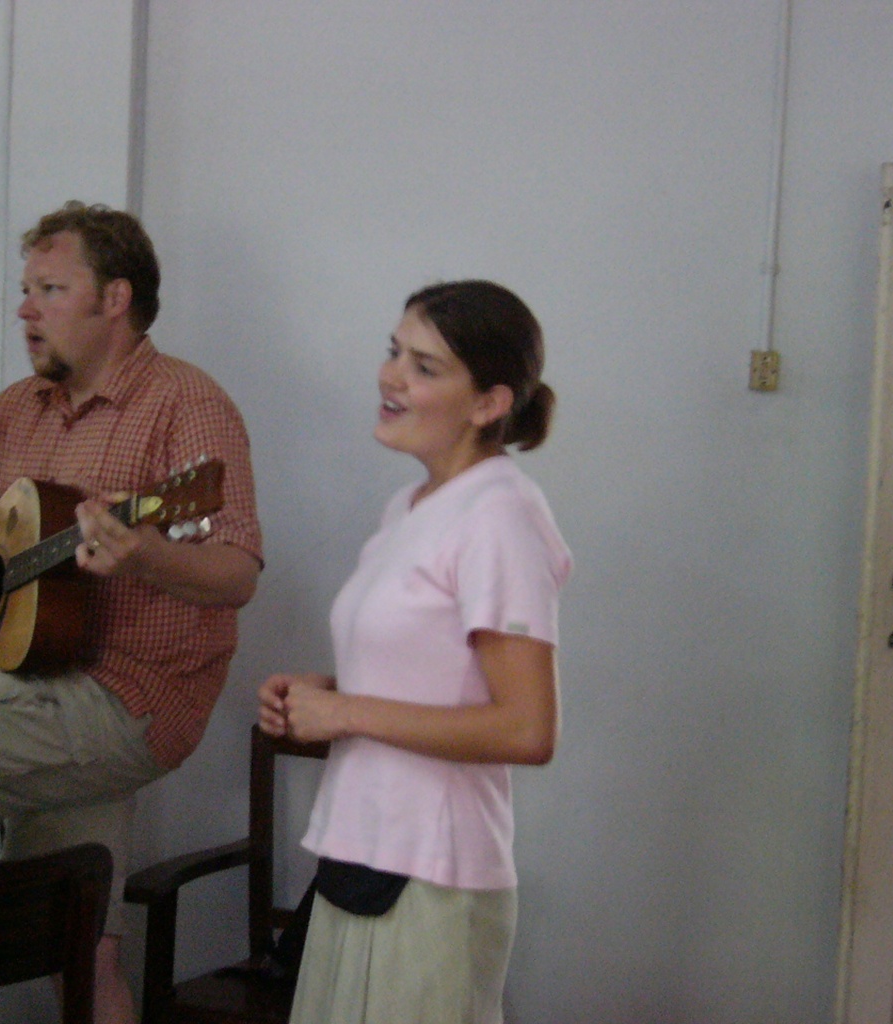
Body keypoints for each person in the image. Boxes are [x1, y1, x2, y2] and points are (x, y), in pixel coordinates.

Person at [0, 201, 262, 1024]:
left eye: (49, 289)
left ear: (114, 299)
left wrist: (143, 553)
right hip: (37, 672)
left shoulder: (187, 404)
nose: (24, 309)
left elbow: (235, 574)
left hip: (132, 696)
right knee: (84, 958)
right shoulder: (20, 408)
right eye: (26, 289)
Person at [258, 280, 571, 1024]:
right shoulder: (408, 508)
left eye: (424, 367)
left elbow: (527, 729)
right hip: (359, 852)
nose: (390, 377)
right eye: (394, 352)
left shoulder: (499, 516)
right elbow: (431, 679)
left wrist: (346, 711)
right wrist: (324, 693)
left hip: (430, 871)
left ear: (488, 403)